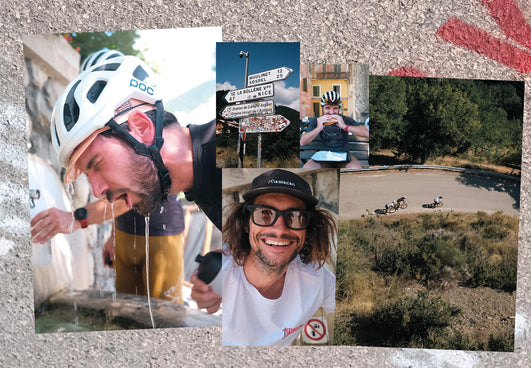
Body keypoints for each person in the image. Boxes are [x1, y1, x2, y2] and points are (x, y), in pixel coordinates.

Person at [31, 50, 190, 303]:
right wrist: (113, 236)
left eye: (96, 164)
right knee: (127, 308)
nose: (96, 188)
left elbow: (131, 184)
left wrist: (75, 218)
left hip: (162, 229)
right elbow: (121, 195)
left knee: (164, 312)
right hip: (128, 230)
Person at [190, 169, 337, 346]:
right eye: (265, 214)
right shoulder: (222, 272)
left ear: (307, 228)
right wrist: (205, 291)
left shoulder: (321, 281)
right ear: (246, 223)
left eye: (295, 216)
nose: (280, 230)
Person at [300, 90, 369, 168]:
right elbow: (302, 142)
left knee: (356, 169)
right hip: (324, 157)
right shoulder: (316, 121)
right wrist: (318, 128)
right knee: (307, 168)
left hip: (344, 156)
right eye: (327, 108)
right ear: (322, 108)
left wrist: (344, 126)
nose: (331, 112)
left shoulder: (345, 120)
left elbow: (367, 133)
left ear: (339, 109)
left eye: (335, 108)